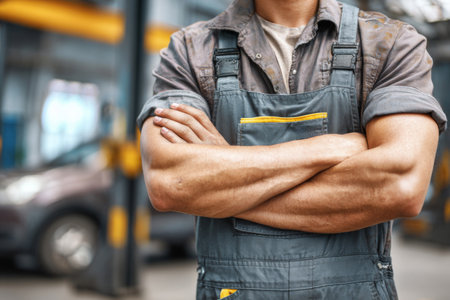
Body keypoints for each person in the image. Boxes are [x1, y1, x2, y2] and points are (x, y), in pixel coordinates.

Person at [137, 0, 447, 298]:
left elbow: (400, 184)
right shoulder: (190, 51)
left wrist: (224, 187)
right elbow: (171, 182)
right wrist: (327, 148)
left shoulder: (389, 43)